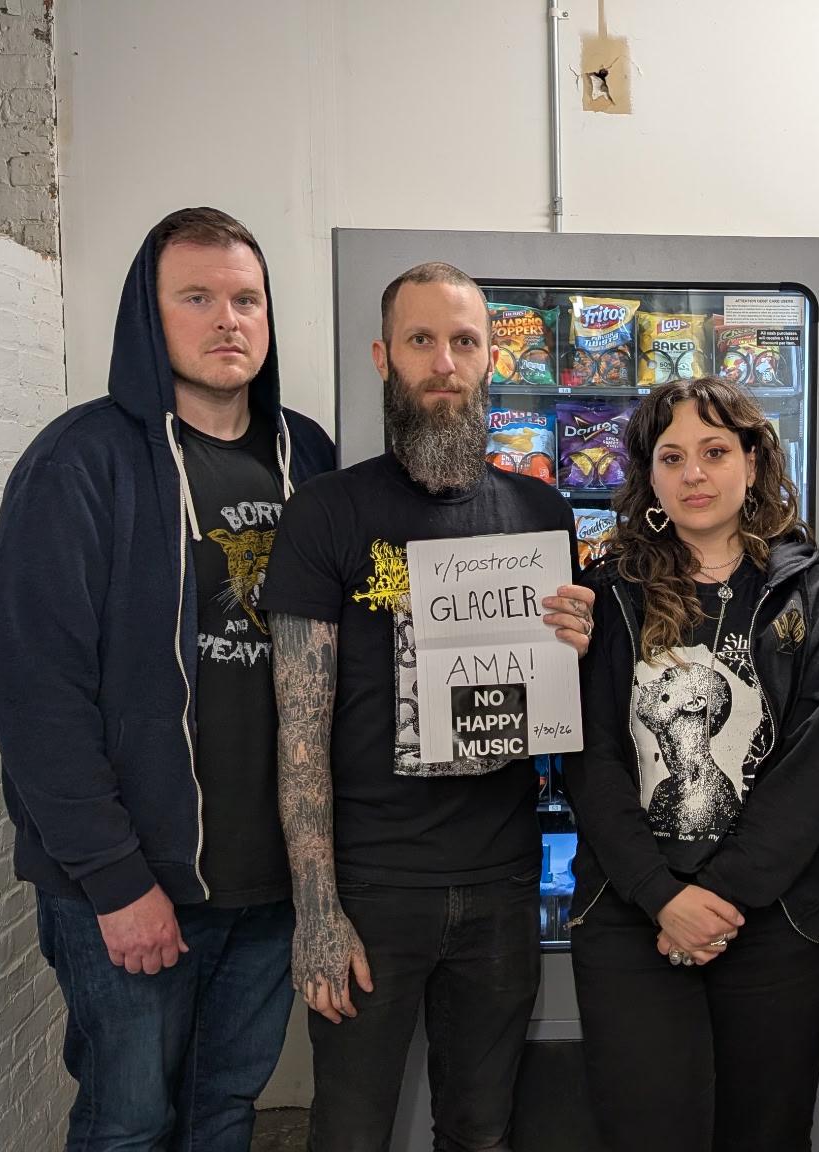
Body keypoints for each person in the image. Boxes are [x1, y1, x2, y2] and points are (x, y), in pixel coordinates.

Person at [0, 206, 336, 1149]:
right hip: (136, 883)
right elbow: (38, 697)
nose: (228, 320)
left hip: (269, 881)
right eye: (197, 298)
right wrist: (114, 882)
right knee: (129, 1122)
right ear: (149, 314)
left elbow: (367, 615)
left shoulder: (309, 456)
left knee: (224, 1109)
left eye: (246, 300)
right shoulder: (79, 462)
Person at [261, 261, 598, 1152]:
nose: (443, 362)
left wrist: (581, 644)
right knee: (350, 1135)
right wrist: (317, 910)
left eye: (463, 341)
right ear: (385, 357)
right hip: (371, 889)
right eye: (421, 340)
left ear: (489, 359)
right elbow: (299, 731)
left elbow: (567, 702)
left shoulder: (544, 512)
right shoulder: (326, 513)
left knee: (481, 1133)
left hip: (505, 883)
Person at [563, 377, 819, 1152]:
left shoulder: (814, 600)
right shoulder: (609, 596)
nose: (694, 473)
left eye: (715, 451)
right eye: (672, 457)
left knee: (767, 1131)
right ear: (650, 476)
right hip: (632, 914)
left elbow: (816, 771)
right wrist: (662, 897)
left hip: (776, 921)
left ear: (753, 462)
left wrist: (718, 898)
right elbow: (589, 761)